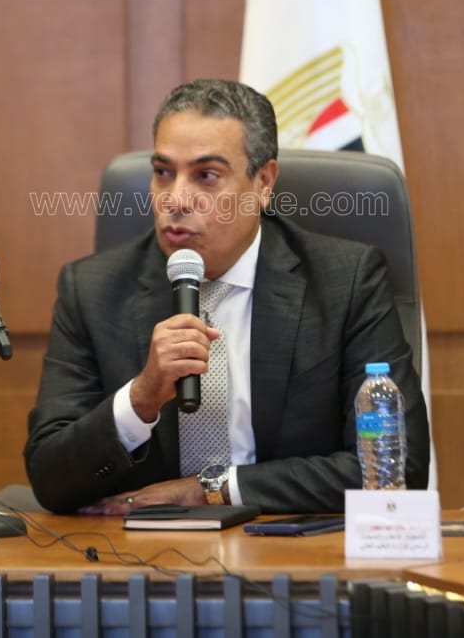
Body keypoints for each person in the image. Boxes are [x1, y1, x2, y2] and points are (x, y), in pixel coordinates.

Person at [25, 78, 428, 514]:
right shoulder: (92, 290)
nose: (177, 200)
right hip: (139, 548)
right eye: (163, 173)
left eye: (206, 176)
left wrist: (210, 490)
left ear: (264, 182)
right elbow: (50, 478)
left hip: (287, 543)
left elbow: (397, 468)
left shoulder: (346, 282)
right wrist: (140, 398)